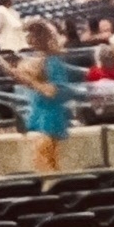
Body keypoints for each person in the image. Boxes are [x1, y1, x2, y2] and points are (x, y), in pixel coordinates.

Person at [16, 19, 75, 174]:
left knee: (44, 163)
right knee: (46, 161)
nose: (28, 39)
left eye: (32, 35)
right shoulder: (40, 59)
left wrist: (29, 80)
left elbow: (53, 91)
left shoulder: (53, 62)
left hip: (49, 116)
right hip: (40, 112)